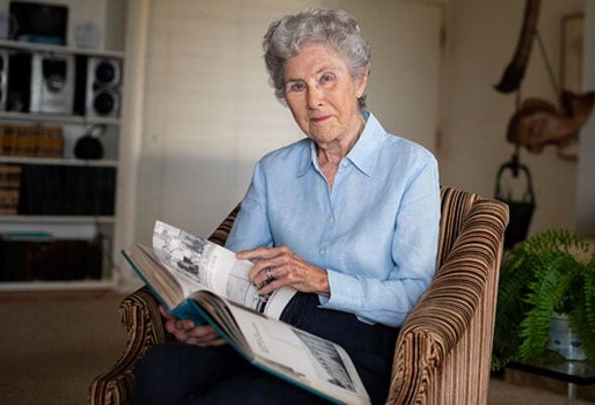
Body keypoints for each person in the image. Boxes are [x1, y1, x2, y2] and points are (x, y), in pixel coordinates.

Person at [133, 8, 440, 405]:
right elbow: (236, 271)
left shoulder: (412, 166)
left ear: (360, 80)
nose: (314, 100)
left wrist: (322, 280)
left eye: (326, 78)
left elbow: (414, 295)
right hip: (271, 330)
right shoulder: (273, 169)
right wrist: (212, 321)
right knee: (159, 372)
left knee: (240, 399)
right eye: (297, 86)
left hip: (358, 348)